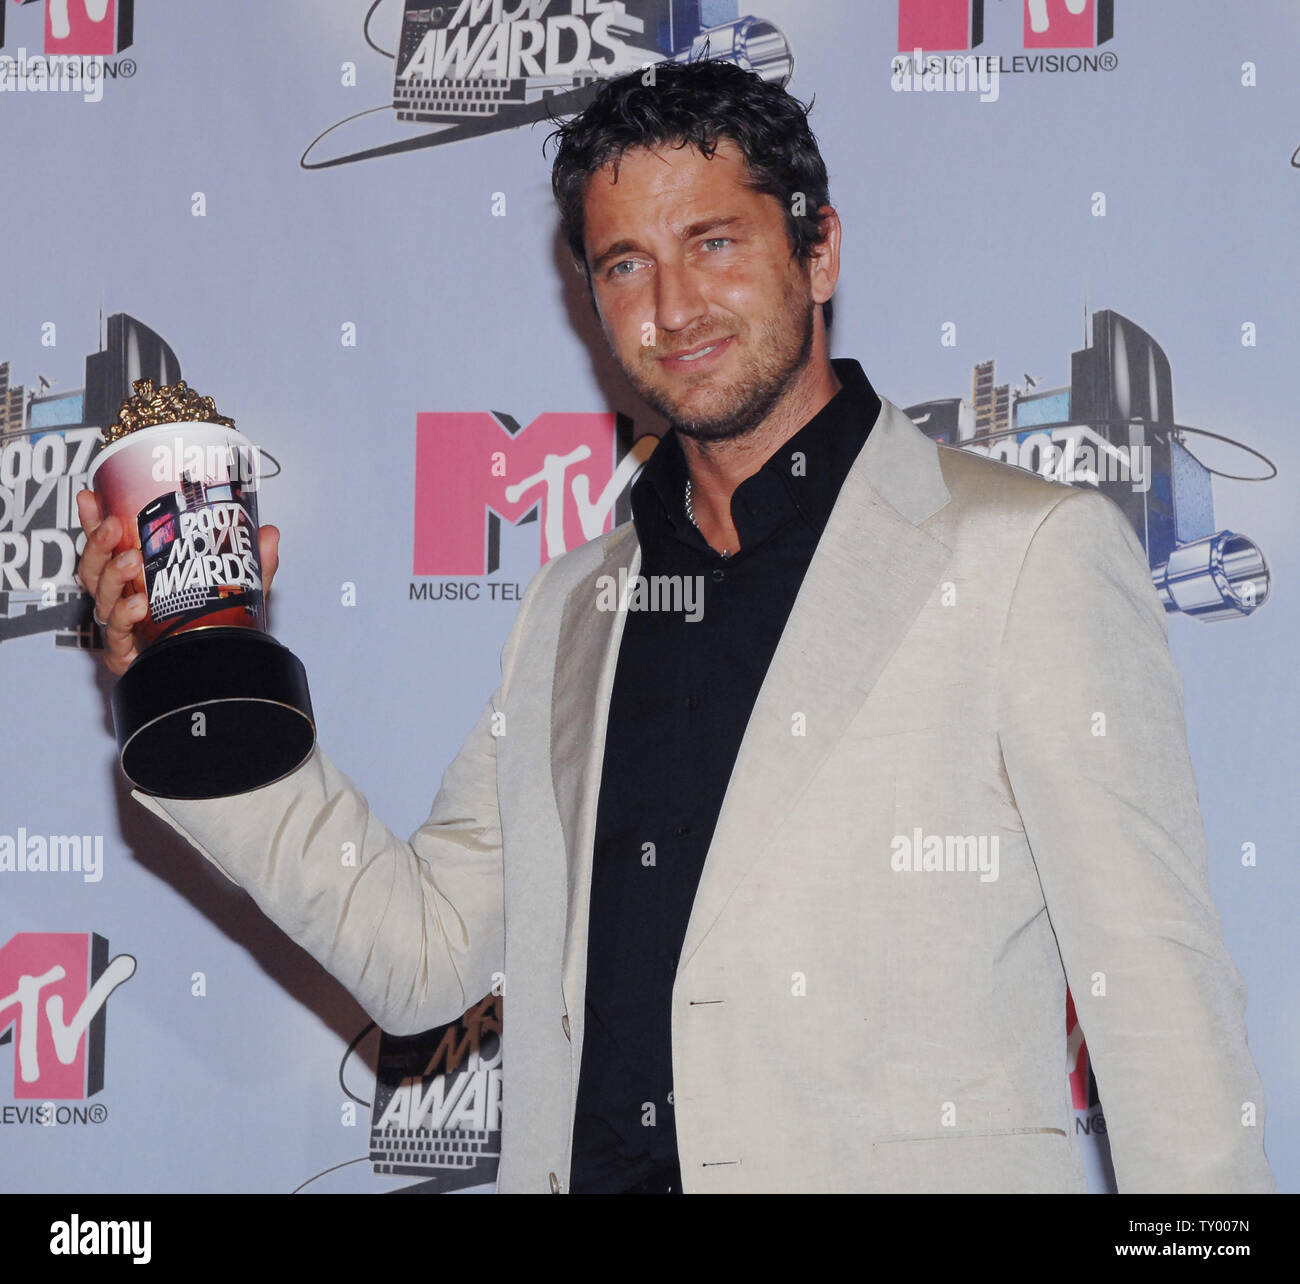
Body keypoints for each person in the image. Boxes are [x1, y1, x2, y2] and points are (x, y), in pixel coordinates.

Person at [76, 60, 1274, 1194]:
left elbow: (1155, 993)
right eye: (624, 266)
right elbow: (425, 953)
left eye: (713, 243)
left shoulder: (1023, 554)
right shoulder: (569, 607)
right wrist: (182, 685)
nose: (673, 308)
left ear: (817, 249)